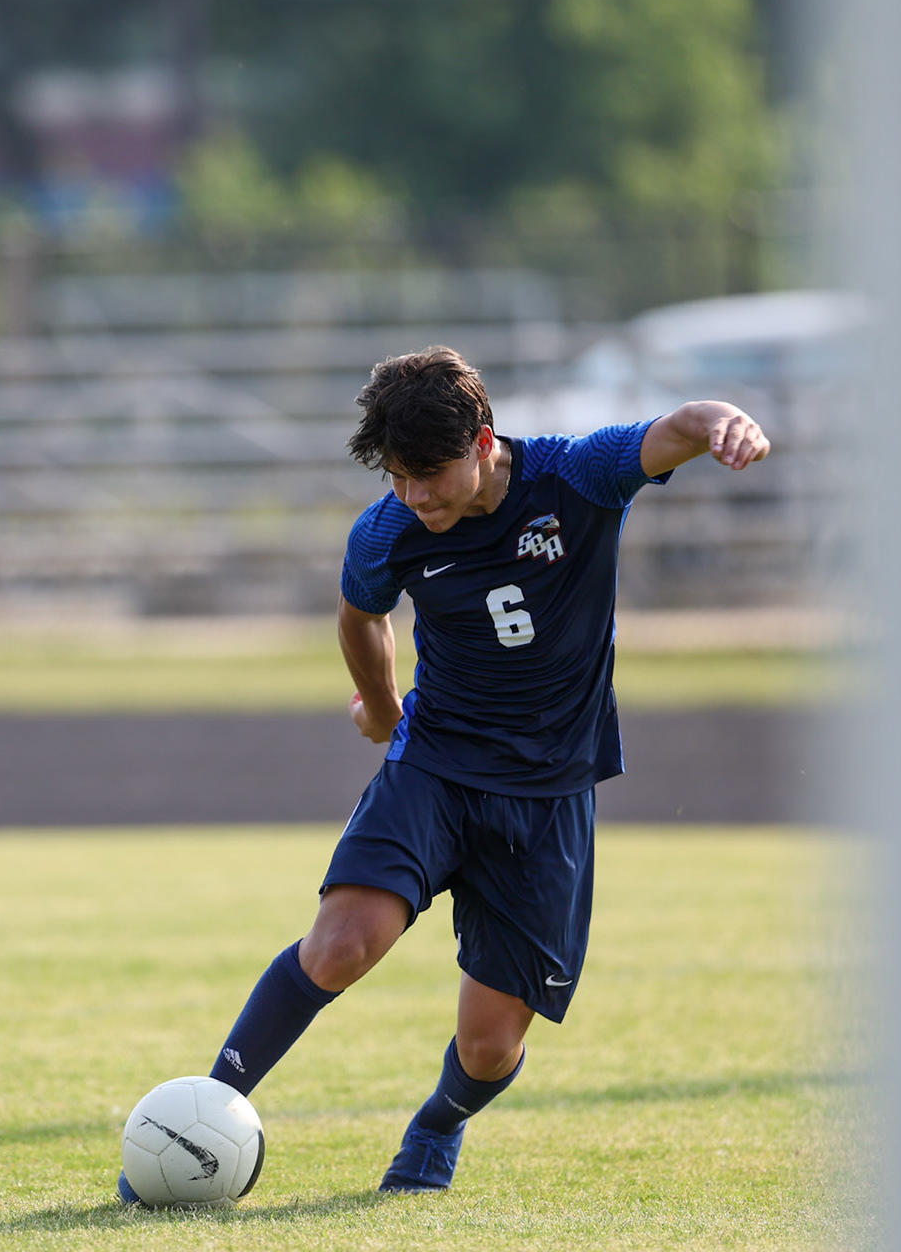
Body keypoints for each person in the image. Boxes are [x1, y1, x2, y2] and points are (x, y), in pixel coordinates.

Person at [121, 345, 769, 1199]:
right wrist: (381, 706)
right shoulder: (388, 528)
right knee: (342, 945)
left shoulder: (577, 478)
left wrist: (725, 422)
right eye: (398, 477)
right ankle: (198, 1122)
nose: (415, 497)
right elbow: (360, 613)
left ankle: (438, 1124)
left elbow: (677, 429)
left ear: (483, 442)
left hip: (549, 794)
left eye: (429, 475)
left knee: (491, 1047)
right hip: (435, 764)